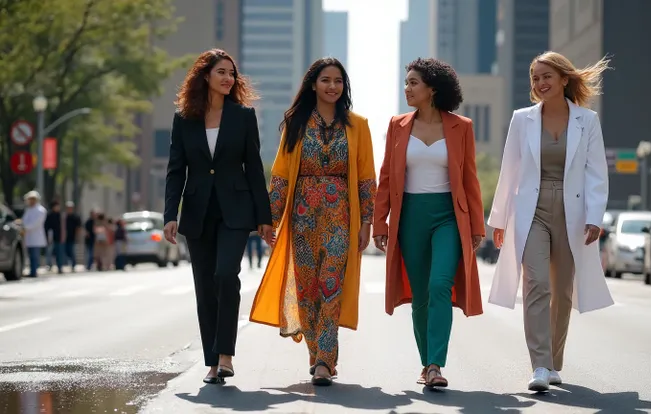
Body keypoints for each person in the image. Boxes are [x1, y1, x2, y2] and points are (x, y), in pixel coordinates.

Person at [487, 51, 613, 392]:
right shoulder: (522, 119)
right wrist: (499, 218)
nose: (540, 83)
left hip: (572, 213)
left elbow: (596, 172)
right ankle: (540, 365)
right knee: (536, 285)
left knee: (563, 292)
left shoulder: (587, 121)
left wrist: (594, 217)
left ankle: (555, 362)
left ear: (563, 79)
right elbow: (510, 169)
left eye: (546, 76)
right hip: (533, 211)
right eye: (535, 78)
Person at [249, 57, 376, 386]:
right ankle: (314, 352)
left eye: (338, 81)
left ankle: (325, 360)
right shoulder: (296, 123)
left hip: (340, 218)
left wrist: (366, 222)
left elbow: (365, 178)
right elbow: (279, 176)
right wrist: (269, 219)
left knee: (330, 284)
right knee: (306, 290)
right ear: (313, 85)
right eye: (326, 80)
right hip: (302, 218)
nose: (332, 86)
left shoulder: (358, 125)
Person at [373, 58, 485, 388]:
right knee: (420, 294)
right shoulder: (398, 125)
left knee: (440, 285)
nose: (406, 88)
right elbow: (386, 177)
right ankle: (426, 364)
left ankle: (436, 364)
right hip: (410, 217)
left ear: (432, 89)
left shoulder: (461, 126)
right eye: (405, 83)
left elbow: (470, 178)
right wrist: (381, 223)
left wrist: (476, 225)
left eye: (413, 83)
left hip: (449, 216)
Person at [163, 49, 272, 385]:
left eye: (232, 73)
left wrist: (264, 217)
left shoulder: (243, 116)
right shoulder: (185, 118)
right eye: (221, 72)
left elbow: (254, 168)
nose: (228, 79)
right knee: (204, 286)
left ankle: (226, 354)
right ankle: (213, 363)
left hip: (235, 212)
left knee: (226, 274)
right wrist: (170, 214)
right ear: (205, 76)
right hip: (197, 213)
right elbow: (175, 169)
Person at [21, 191, 47, 278]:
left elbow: (36, 223)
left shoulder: (41, 210)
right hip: (28, 236)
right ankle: (32, 270)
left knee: (35, 255)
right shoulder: (28, 210)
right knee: (30, 256)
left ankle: (34, 271)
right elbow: (24, 221)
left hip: (36, 236)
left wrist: (26, 227)